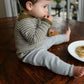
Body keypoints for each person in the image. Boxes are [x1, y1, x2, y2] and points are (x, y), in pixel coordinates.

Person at [14, 0, 84, 78]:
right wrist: (46, 23)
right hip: (29, 52)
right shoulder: (23, 22)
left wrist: (47, 31)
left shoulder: (32, 16)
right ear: (30, 5)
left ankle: (65, 37)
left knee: (51, 39)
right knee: (49, 59)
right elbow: (34, 39)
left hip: (38, 43)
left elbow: (38, 28)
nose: (46, 10)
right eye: (44, 6)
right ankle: (71, 70)